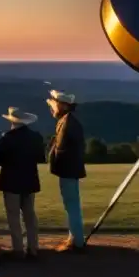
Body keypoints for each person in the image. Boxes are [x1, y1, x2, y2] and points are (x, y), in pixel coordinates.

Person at [0, 107, 45, 260]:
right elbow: (41, 158)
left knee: (13, 216)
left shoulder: (7, 138)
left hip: (11, 181)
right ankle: (33, 247)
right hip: (30, 180)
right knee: (30, 215)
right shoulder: (36, 137)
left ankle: (18, 249)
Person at [47, 89, 87, 252]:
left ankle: (76, 241)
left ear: (62, 105)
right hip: (70, 170)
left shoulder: (68, 123)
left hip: (68, 170)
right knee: (71, 205)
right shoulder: (68, 121)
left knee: (72, 206)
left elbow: (62, 149)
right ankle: (74, 237)